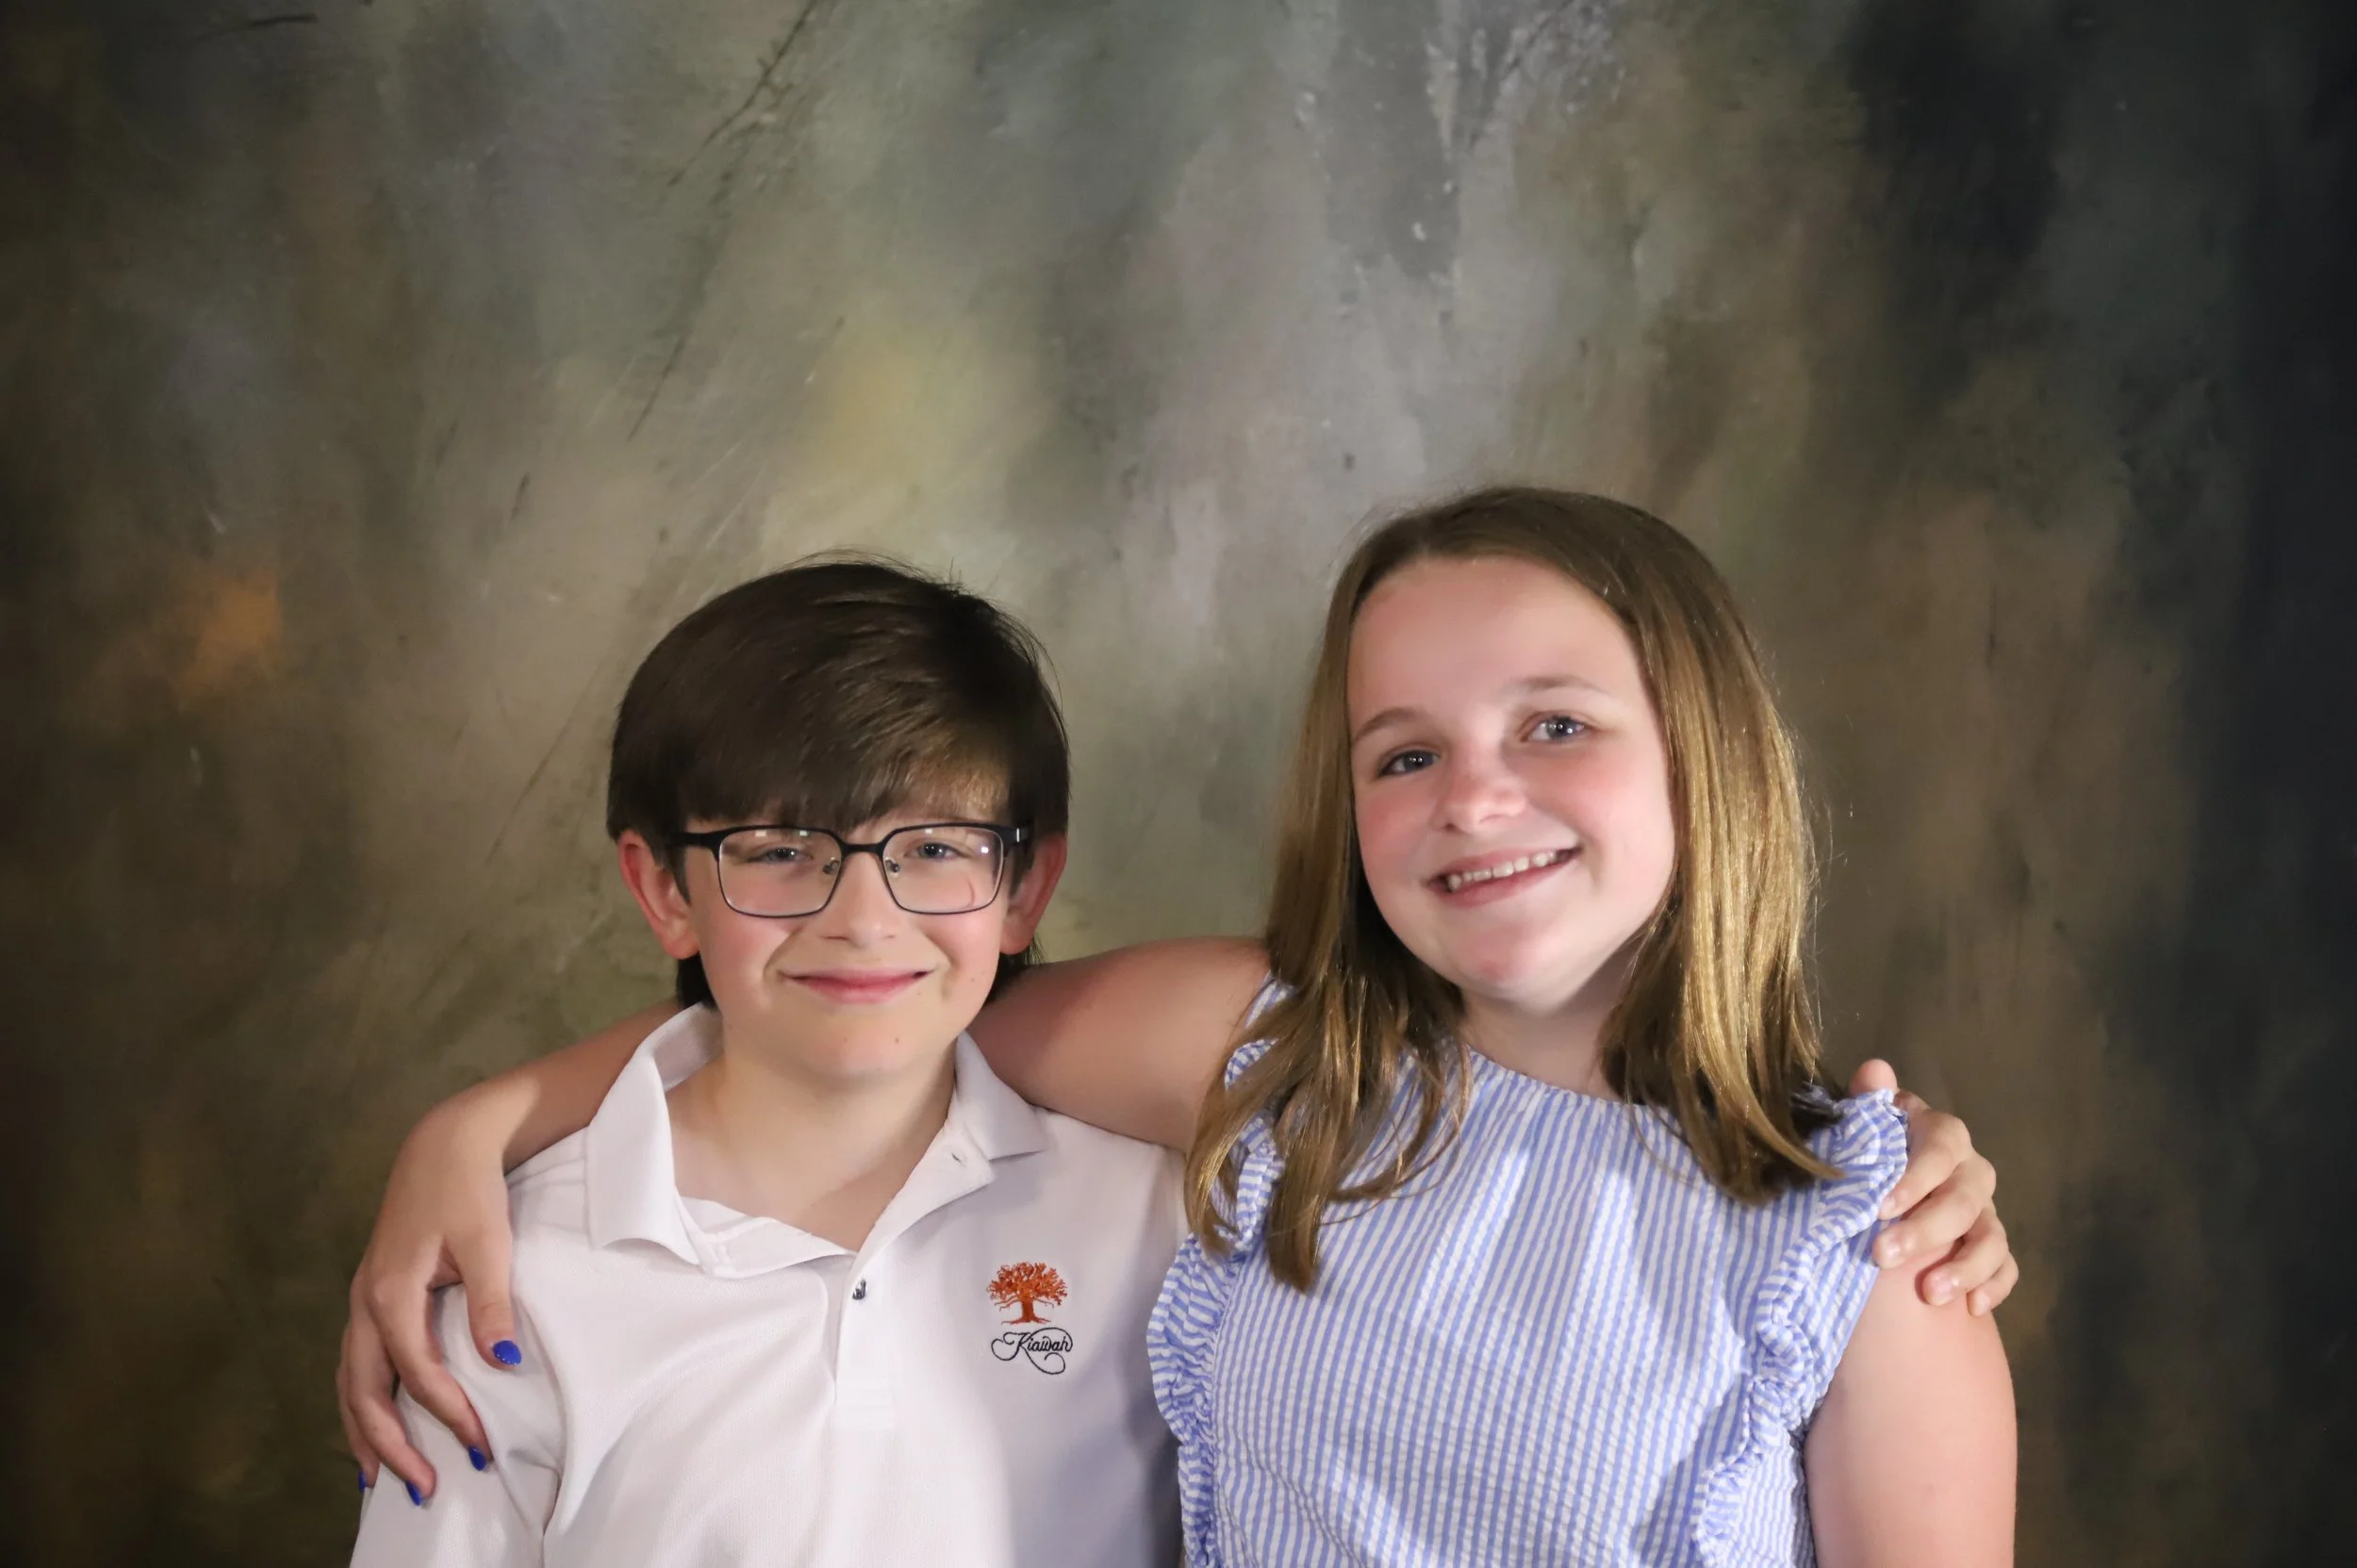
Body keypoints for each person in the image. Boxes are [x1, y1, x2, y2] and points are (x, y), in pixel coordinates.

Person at [344, 493, 2019, 1562]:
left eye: (1558, 723)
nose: (1477, 797)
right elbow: (872, 1012)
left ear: (1702, 754)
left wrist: (1869, 1153)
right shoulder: (1264, 1057)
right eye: (1401, 751)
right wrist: (481, 1124)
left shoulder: (1864, 1241)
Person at [350, 560, 1185, 1566]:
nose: (865, 921)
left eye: (935, 848)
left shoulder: (1164, 1216)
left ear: (1024, 884)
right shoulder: (506, 1278)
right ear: (662, 888)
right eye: (781, 850)